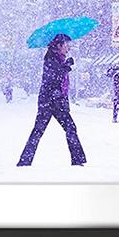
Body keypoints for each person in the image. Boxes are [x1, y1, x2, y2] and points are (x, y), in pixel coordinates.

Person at [16, 33, 87, 167]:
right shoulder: (50, 58)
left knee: (69, 128)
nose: (69, 48)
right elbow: (52, 78)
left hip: (58, 101)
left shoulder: (58, 58)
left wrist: (65, 65)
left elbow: (59, 76)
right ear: (59, 45)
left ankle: (77, 160)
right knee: (39, 130)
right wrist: (66, 66)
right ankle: (25, 161)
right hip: (49, 102)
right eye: (67, 45)